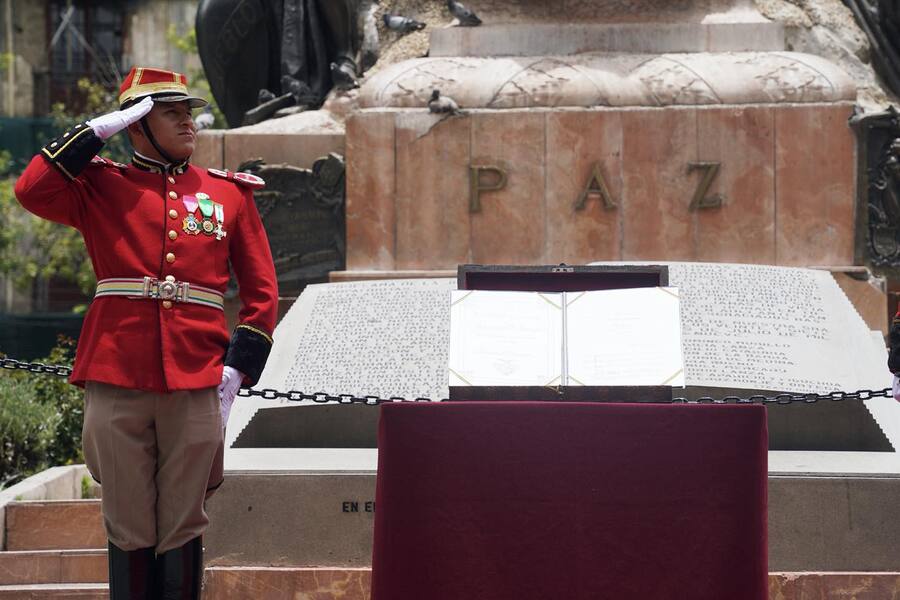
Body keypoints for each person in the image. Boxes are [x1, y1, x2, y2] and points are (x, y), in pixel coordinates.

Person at [14, 67, 278, 599]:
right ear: (137, 126)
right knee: (128, 524)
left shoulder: (227, 194)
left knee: (184, 521)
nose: (190, 122)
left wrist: (239, 366)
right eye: (171, 113)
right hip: (117, 370)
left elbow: (262, 291)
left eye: (190, 111)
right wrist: (96, 131)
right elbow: (31, 189)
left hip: (197, 374)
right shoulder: (100, 186)